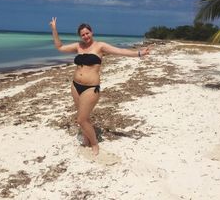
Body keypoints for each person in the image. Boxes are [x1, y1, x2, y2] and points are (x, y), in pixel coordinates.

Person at [49, 17, 151, 155]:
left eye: (87, 33)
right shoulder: (78, 46)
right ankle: (86, 138)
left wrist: (139, 53)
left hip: (91, 88)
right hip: (75, 86)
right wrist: (54, 29)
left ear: (91, 32)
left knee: (81, 119)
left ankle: (95, 143)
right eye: (82, 34)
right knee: (82, 116)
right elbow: (59, 47)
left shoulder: (100, 46)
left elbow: (120, 51)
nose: (85, 36)